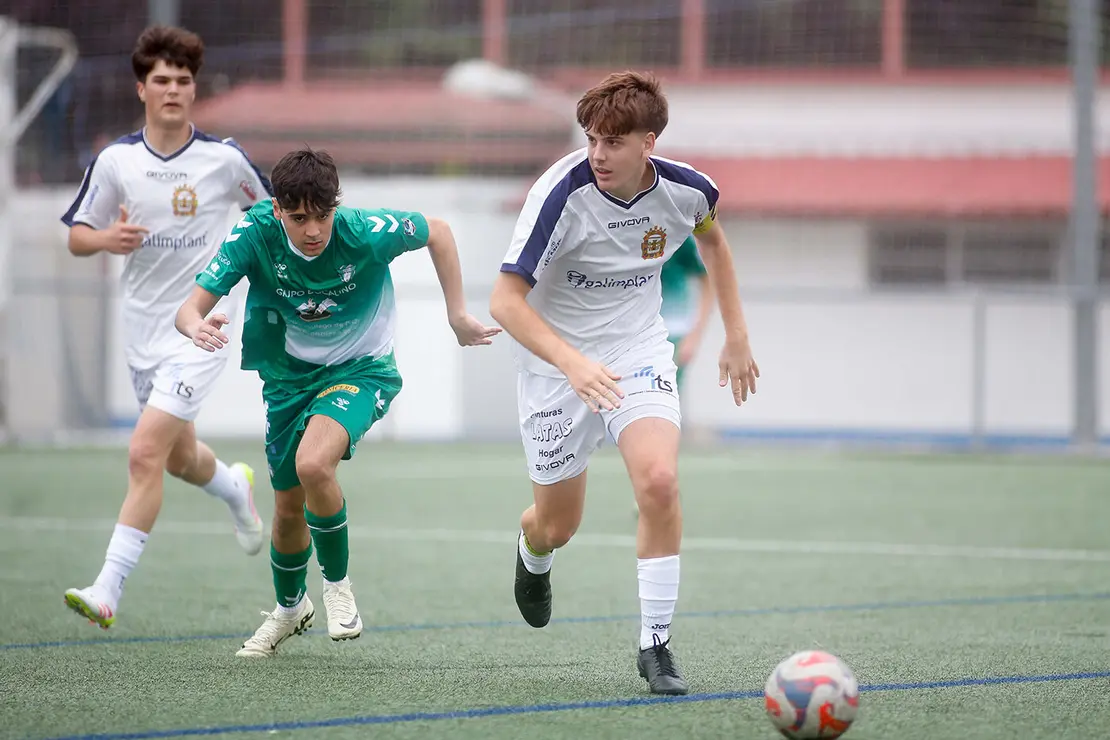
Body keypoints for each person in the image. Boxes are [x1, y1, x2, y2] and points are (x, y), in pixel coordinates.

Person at [489, 71, 759, 695]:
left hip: (637, 351)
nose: (598, 154)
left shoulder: (689, 192)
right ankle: (533, 553)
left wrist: (737, 334)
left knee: (660, 482)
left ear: (649, 143)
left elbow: (714, 246)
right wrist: (572, 363)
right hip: (556, 367)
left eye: (614, 142)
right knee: (558, 525)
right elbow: (505, 303)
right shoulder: (560, 194)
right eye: (591, 140)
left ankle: (656, 646)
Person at [176, 147, 501, 657]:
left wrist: (457, 313)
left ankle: (337, 586)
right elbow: (189, 309)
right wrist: (196, 324)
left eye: (322, 215)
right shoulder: (254, 232)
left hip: (361, 369)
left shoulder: (363, 231)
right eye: (299, 217)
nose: (313, 230)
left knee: (314, 465)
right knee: (285, 511)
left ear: (336, 206)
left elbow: (438, 230)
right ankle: (289, 610)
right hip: (287, 380)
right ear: (278, 209)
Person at [60, 25, 272, 630]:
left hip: (202, 328)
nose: (174, 89)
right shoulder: (116, 161)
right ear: (141, 88)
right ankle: (233, 486)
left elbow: (269, 214)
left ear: (193, 89)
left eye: (183, 80)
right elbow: (78, 236)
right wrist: (108, 238)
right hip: (142, 332)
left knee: (143, 452)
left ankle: (108, 590)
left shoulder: (225, 159)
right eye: (162, 80)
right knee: (179, 459)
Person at [661, 236, 714, 392]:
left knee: (668, 395)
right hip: (636, 333)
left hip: (675, 331)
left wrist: (694, 335)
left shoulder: (680, 235)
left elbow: (708, 280)